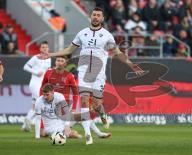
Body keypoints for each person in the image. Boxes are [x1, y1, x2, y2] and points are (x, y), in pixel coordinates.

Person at [38, 7, 143, 145]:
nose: (96, 17)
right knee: (84, 101)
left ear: (102, 18)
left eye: (98, 15)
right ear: (91, 17)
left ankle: (102, 114)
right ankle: (88, 136)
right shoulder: (82, 33)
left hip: (99, 74)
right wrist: (50, 54)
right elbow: (69, 49)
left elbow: (118, 53)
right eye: (94, 15)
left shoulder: (107, 35)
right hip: (84, 72)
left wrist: (132, 65)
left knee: (97, 104)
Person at [41, 56, 111, 139]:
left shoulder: (69, 76)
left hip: (64, 107)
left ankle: (98, 133)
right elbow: (42, 88)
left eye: (62, 61)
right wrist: (41, 100)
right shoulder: (48, 73)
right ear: (55, 62)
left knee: (81, 117)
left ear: (65, 63)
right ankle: (69, 132)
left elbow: (75, 93)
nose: (59, 62)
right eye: (58, 60)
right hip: (51, 108)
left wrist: (74, 108)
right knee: (44, 133)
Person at [22, 41, 51, 131]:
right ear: (40, 49)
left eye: (46, 47)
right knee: (42, 102)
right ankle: (31, 120)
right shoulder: (36, 58)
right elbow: (25, 67)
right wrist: (36, 72)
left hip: (43, 84)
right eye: (43, 47)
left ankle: (26, 124)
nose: (44, 49)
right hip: (35, 83)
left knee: (35, 105)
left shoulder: (50, 59)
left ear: (48, 48)